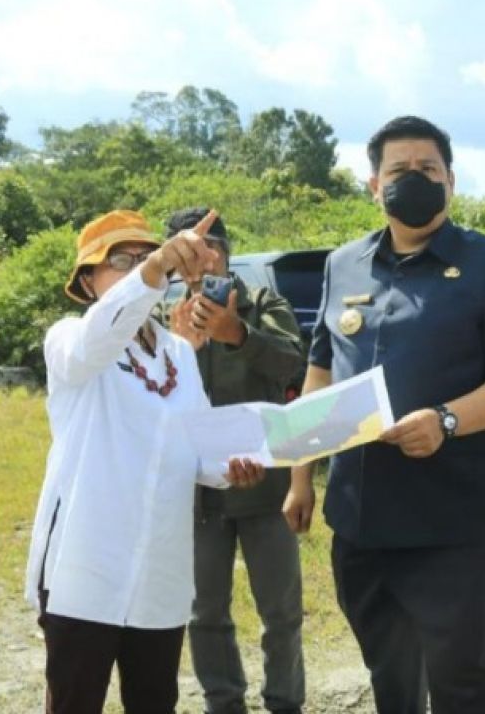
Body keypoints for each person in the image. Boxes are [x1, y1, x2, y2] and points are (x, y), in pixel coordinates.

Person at [282, 115, 485, 713]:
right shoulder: (342, 265)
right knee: (389, 669)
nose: (415, 179)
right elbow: (321, 371)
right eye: (399, 170)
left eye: (428, 169)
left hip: (456, 520)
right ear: (374, 185)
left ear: (450, 181)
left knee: (464, 675)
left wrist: (446, 420)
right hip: (361, 515)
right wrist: (300, 477)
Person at [26, 208, 266, 714]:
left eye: (144, 255)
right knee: (73, 701)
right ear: (88, 281)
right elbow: (98, 340)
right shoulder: (70, 338)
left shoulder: (177, 354)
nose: (137, 267)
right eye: (120, 260)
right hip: (85, 567)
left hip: (160, 567)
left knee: (155, 701)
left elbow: (197, 448)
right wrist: (154, 269)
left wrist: (231, 469)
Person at [156, 207, 307, 714]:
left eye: (211, 244)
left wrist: (237, 333)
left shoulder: (264, 302)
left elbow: (295, 365)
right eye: (189, 247)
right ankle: (224, 704)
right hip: (197, 492)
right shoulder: (163, 316)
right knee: (204, 613)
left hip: (265, 484)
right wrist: (180, 343)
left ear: (225, 249)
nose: (203, 255)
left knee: (281, 612)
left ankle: (285, 703)